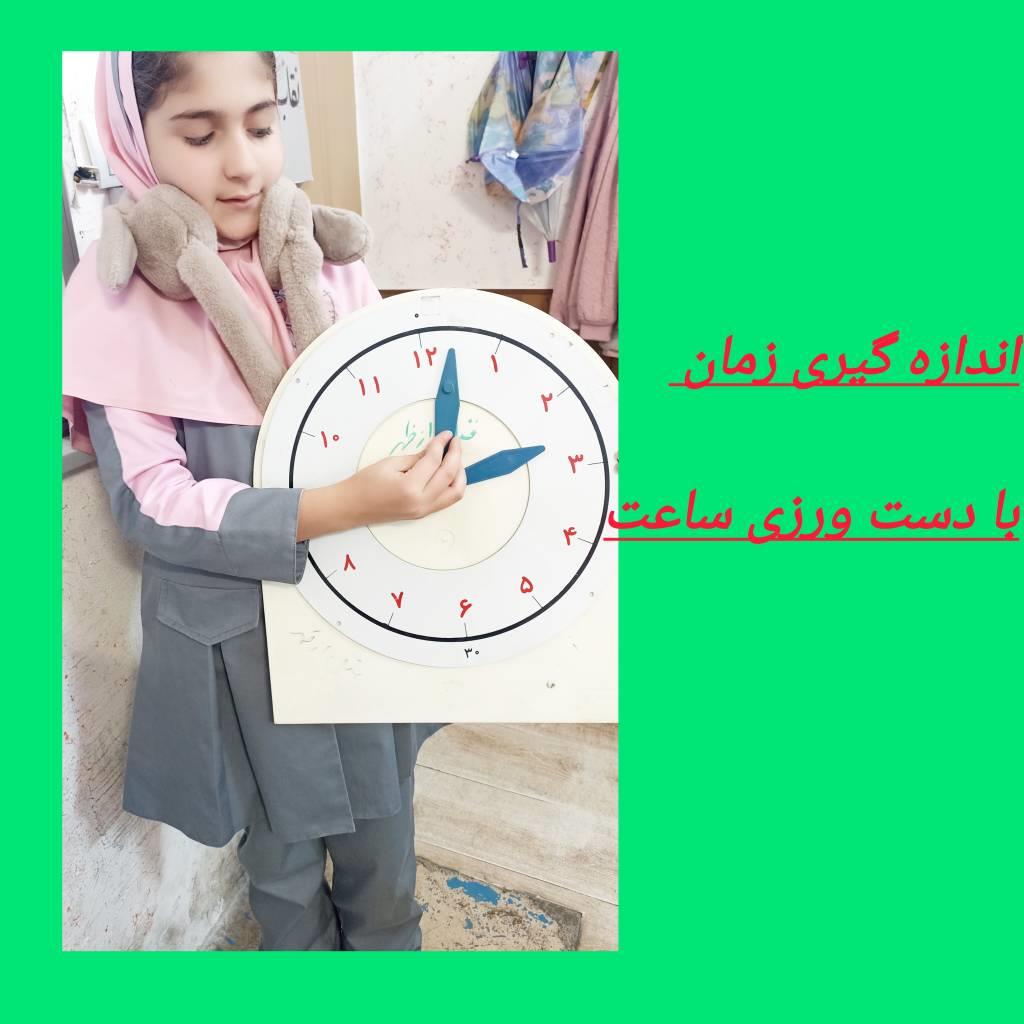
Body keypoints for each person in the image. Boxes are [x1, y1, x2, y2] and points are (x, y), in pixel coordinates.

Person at [62, 51, 466, 951]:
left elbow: (387, 415)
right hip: (240, 653)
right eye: (199, 133)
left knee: (386, 845)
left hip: (361, 615)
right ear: (135, 138)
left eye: (260, 123)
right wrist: (333, 506)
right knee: (279, 873)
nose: (242, 162)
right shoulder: (115, 303)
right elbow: (151, 502)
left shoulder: (328, 265)